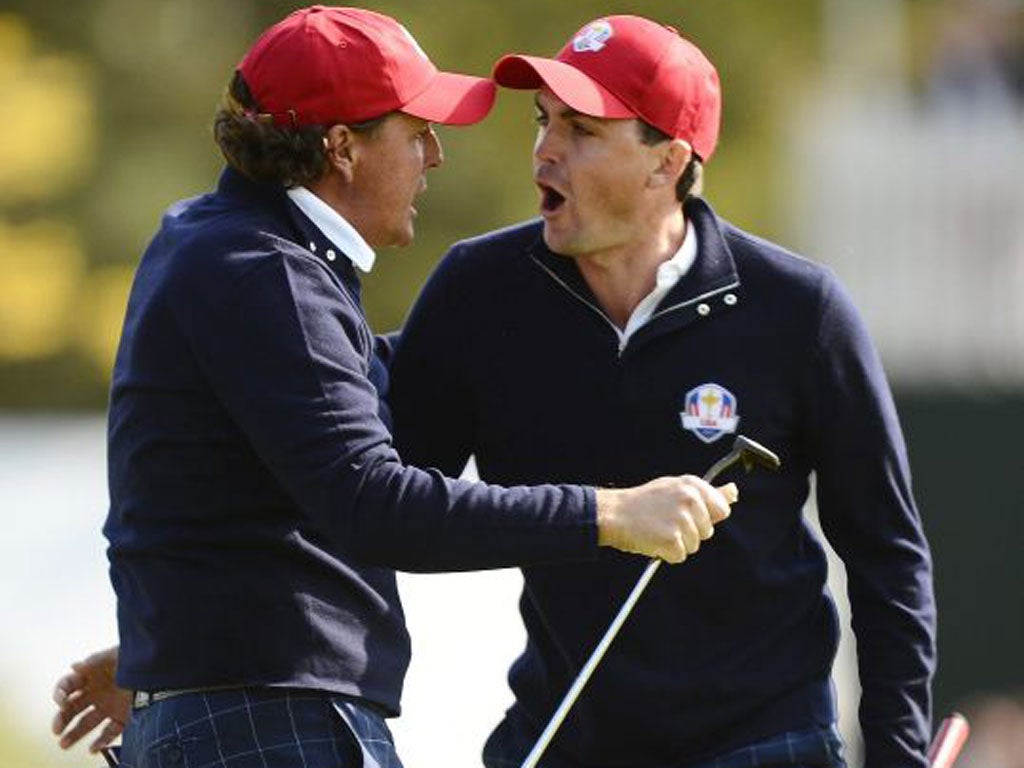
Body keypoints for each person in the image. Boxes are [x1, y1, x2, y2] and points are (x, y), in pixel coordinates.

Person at [55, 7, 737, 768]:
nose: (435, 156)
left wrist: (175, 653)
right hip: (275, 728)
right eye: (416, 134)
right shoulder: (267, 272)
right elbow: (376, 505)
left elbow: (239, 495)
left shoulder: (219, 241)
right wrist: (610, 513)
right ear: (342, 148)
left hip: (237, 710)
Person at [387, 14, 937, 768]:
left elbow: (887, 554)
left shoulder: (799, 310)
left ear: (667, 161)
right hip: (563, 739)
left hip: (767, 741)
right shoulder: (477, 294)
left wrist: (900, 753)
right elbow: (393, 509)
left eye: (582, 130)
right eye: (544, 122)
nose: (545, 150)